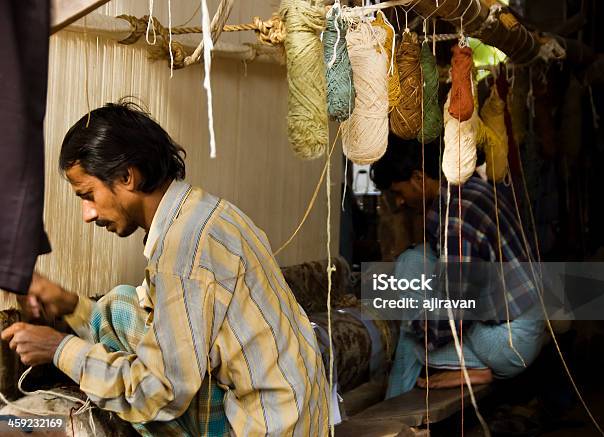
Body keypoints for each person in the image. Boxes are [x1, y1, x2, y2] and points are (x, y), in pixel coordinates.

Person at [1, 101, 329, 436]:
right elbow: (162, 326)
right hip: (304, 416)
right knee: (121, 304)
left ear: (128, 176)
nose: (87, 214)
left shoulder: (182, 254)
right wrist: (69, 304)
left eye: (88, 195)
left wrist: (58, 349)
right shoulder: (208, 212)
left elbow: (158, 392)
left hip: (267, 429)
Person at [370, 134, 546, 399]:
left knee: (410, 341)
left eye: (398, 192)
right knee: (412, 259)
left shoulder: (455, 219)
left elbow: (458, 311)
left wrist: (417, 331)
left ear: (419, 178)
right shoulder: (465, 187)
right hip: (525, 324)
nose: (400, 202)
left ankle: (394, 417)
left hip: (509, 343)